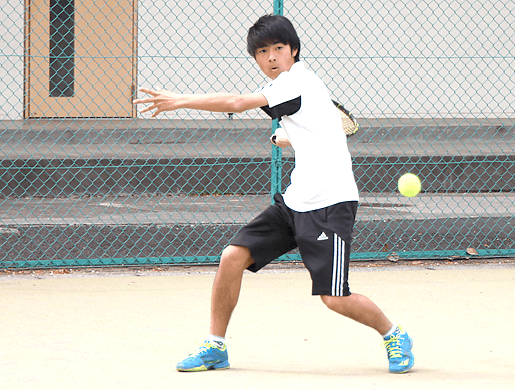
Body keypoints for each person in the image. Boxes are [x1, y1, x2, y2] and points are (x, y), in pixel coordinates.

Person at [134, 14, 414, 374]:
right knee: (232, 256)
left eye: (278, 49)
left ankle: (394, 333)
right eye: (262, 51)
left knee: (334, 298)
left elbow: (237, 103)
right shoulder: (291, 89)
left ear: (293, 51)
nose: (270, 57)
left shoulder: (297, 80)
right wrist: (284, 137)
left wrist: (181, 101)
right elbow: (296, 132)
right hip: (296, 202)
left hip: (330, 205)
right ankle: (215, 347)